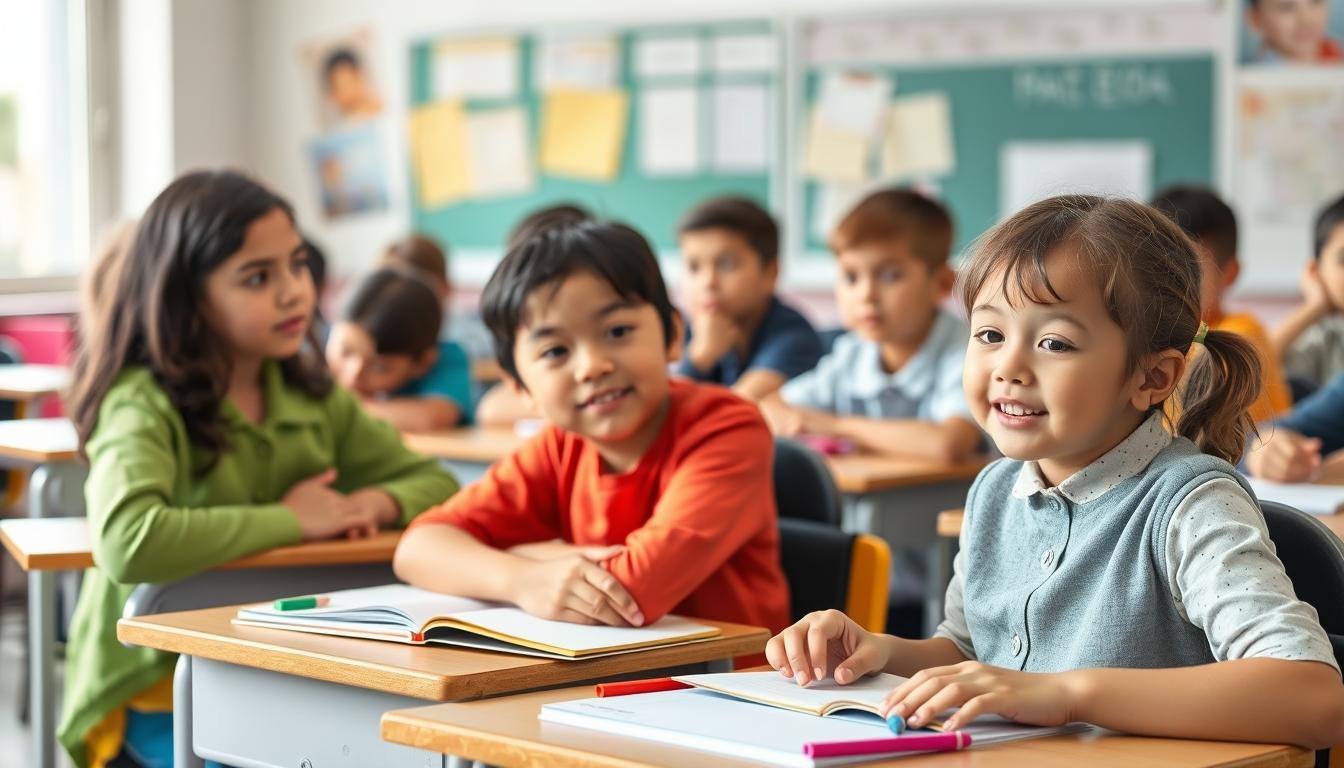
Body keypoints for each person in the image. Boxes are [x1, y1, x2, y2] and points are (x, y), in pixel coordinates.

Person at [766, 195, 1343, 749]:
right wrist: (879, 651)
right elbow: (972, 655)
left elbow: (1315, 698)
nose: (1009, 367)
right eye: (989, 334)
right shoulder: (996, 490)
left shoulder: (1191, 504)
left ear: (1153, 377)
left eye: (1054, 342)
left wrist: (1068, 694)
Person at [60, 170, 458, 768]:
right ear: (187, 298)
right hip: (151, 695)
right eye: (257, 277)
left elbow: (438, 485)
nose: (294, 292)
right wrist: (293, 520)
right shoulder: (142, 399)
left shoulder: (310, 392)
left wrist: (370, 505)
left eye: (296, 265)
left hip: (273, 676)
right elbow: (127, 540)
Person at [393, 220, 790, 644]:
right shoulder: (559, 446)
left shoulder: (728, 428)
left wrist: (532, 555)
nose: (592, 366)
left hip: (726, 689)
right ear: (521, 388)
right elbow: (417, 548)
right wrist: (523, 577)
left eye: (617, 332)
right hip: (599, 687)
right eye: (556, 351)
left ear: (673, 335)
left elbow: (630, 594)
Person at [761, 188, 981, 462]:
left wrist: (837, 426)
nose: (866, 295)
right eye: (851, 277)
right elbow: (771, 406)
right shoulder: (852, 353)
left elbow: (948, 443)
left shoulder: (967, 353)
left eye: (890, 276)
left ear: (942, 283)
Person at [677, 196, 822, 400]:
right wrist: (697, 357)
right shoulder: (691, 330)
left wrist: (700, 358)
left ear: (770, 274)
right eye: (694, 267)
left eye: (727, 265)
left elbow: (732, 412)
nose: (708, 282)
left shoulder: (794, 338)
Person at [326, 267, 474, 430]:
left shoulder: (447, 358)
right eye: (345, 352)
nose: (354, 374)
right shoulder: (309, 360)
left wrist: (338, 408)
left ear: (422, 363)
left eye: (378, 367)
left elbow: (429, 418)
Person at [1274, 192, 1344, 392]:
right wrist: (1314, 306)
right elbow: (1258, 361)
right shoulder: (1323, 336)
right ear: (1316, 271)